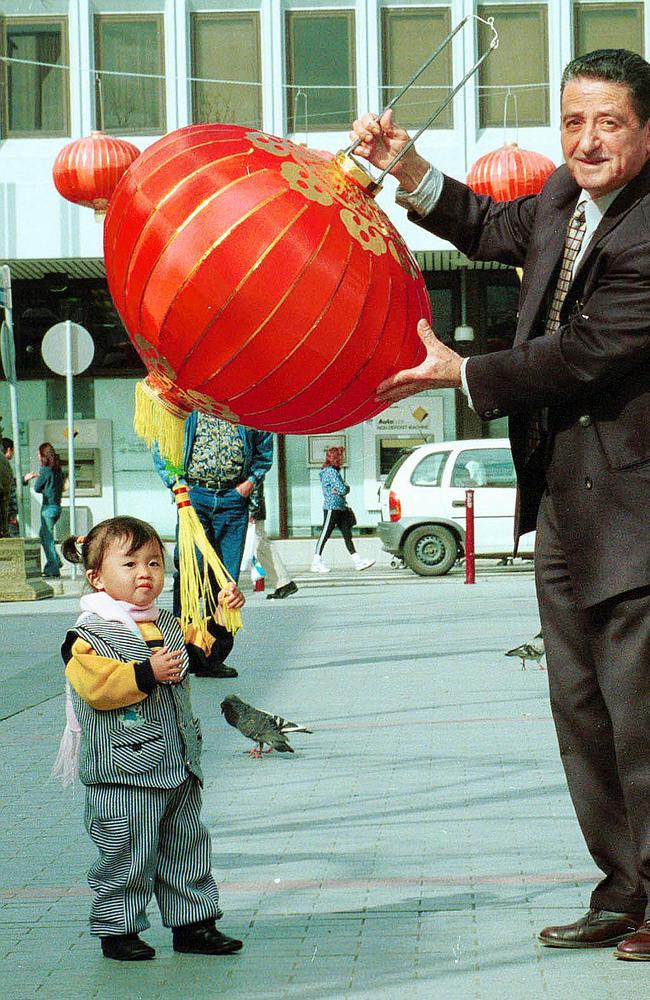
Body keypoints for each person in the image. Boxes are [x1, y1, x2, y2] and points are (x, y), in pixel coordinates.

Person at [351, 48, 650, 960]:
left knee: (643, 714)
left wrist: (465, 372)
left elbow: (588, 352)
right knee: (582, 710)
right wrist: (406, 168)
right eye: (573, 122)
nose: (587, 141)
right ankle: (622, 889)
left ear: (646, 129)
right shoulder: (565, 196)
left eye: (609, 122)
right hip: (561, 502)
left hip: (637, 512)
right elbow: (487, 224)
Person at [59, 515, 245, 961]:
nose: (146, 573)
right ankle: (117, 930)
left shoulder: (168, 622)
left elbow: (206, 651)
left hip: (179, 764)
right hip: (123, 773)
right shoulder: (87, 635)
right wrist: (145, 673)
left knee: (188, 845)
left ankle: (194, 924)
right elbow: (96, 686)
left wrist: (224, 613)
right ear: (97, 577)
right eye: (130, 564)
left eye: (155, 563)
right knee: (126, 853)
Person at [153, 412, 273, 677]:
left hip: (233, 497)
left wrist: (250, 482)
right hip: (195, 494)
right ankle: (180, 654)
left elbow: (265, 444)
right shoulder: (188, 401)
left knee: (227, 580)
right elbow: (163, 441)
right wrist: (176, 484)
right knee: (190, 572)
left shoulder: (247, 405)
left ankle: (212, 657)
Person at [311, 446, 375, 574]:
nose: (343, 459)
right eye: (340, 456)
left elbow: (341, 489)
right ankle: (316, 562)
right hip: (332, 506)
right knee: (325, 533)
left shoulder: (331, 471)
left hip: (340, 506)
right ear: (336, 458)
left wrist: (342, 488)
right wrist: (344, 488)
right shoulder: (331, 472)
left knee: (347, 533)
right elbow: (343, 489)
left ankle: (357, 560)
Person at [248, 482, 298, 600]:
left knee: (259, 544)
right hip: (246, 505)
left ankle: (284, 582)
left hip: (249, 506)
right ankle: (283, 582)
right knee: (258, 544)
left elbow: (255, 481)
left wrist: (253, 510)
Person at [24, 442, 64, 577]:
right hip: (57, 507)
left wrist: (40, 484)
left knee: (47, 538)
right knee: (44, 536)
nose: (37, 455)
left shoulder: (45, 470)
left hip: (48, 508)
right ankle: (55, 561)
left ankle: (53, 568)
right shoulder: (58, 469)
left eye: (38, 453)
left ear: (43, 455)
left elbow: (36, 488)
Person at [2, 438, 19, 536]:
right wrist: (13, 514)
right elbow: (10, 490)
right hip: (7, 515)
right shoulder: (5, 465)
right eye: (13, 450)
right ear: (9, 449)